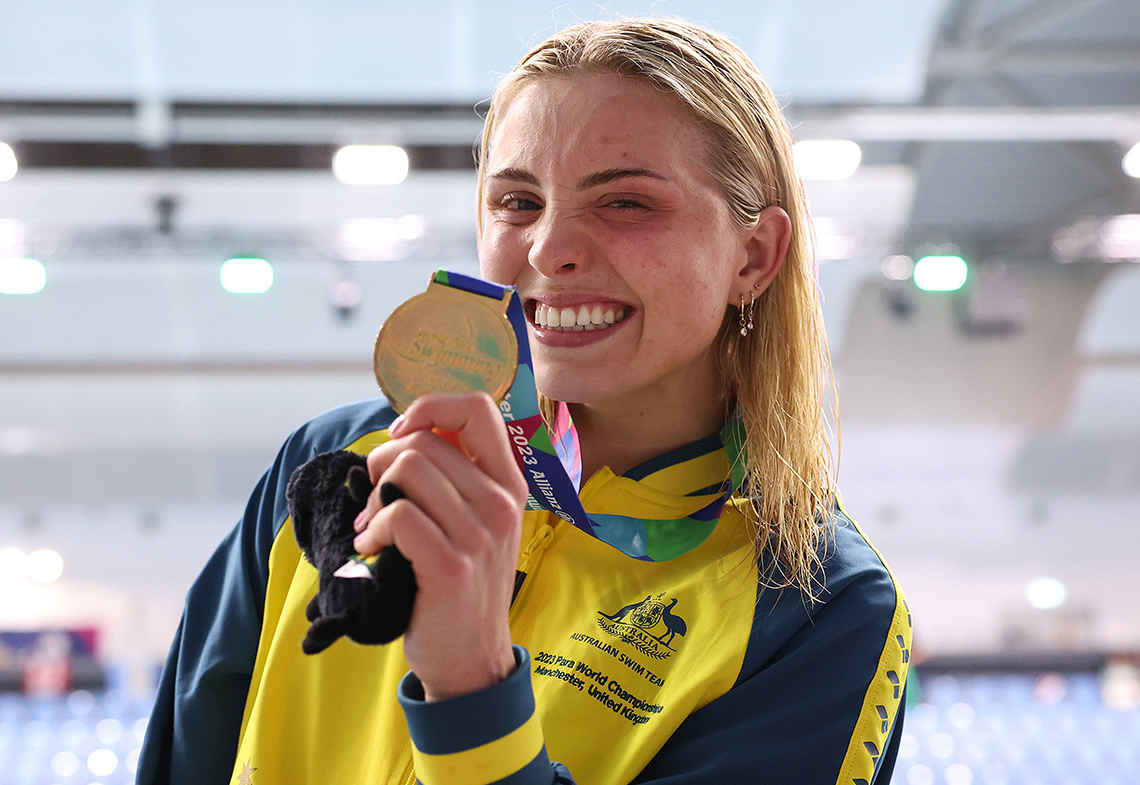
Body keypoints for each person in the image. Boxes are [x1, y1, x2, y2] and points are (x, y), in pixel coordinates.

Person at [138, 17, 910, 785]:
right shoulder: (337, 465)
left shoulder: (819, 606)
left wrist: (474, 688)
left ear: (755, 255)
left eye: (628, 203)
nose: (548, 248)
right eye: (516, 201)